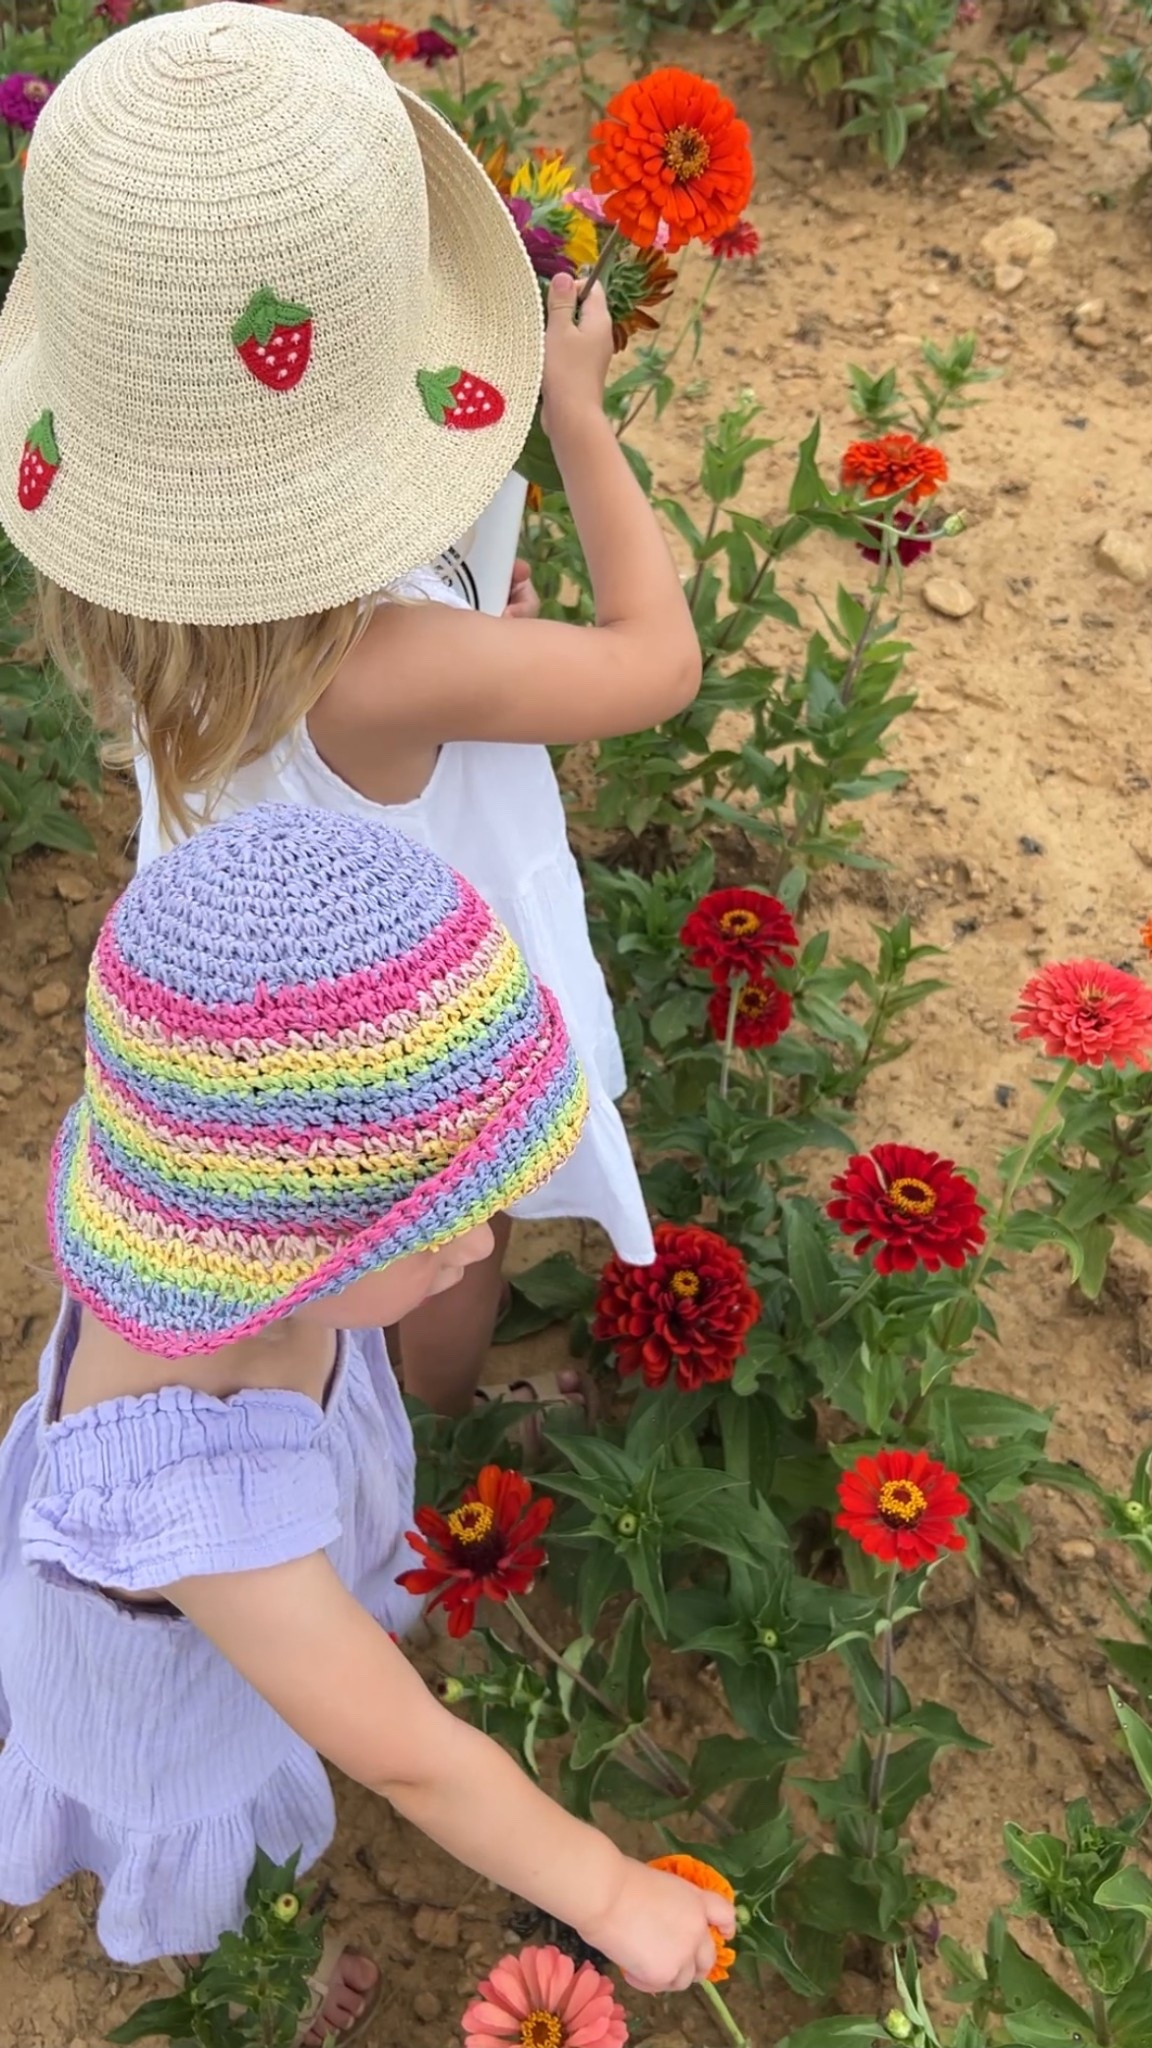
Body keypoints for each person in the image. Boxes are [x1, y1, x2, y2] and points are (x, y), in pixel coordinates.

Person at [0, 4, 702, 1421]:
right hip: (404, 1013)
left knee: (317, 1236)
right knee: (448, 1244)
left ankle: (322, 1378)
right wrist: (578, 419)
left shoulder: (151, 607)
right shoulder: (393, 664)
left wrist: (467, 630)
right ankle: (434, 1419)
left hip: (245, 1001)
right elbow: (656, 661)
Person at [0, 806, 734, 2048]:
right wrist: (609, 1890)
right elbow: (408, 1757)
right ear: (273, 1242)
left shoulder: (188, 1221)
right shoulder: (194, 1495)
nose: (477, 1248)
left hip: (273, 1554)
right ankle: (257, 1963)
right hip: (180, 1703)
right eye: (430, 1231)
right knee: (228, 1859)